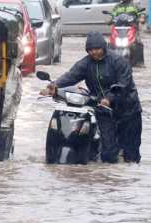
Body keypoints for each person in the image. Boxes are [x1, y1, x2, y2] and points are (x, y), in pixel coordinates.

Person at [40, 32, 142, 163]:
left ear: (104, 48)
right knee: (108, 153)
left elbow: (124, 84)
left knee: (131, 154)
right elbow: (71, 75)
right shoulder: (86, 63)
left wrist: (109, 98)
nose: (94, 52)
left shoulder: (119, 62)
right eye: (90, 50)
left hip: (128, 110)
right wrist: (53, 86)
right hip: (103, 110)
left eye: (97, 49)